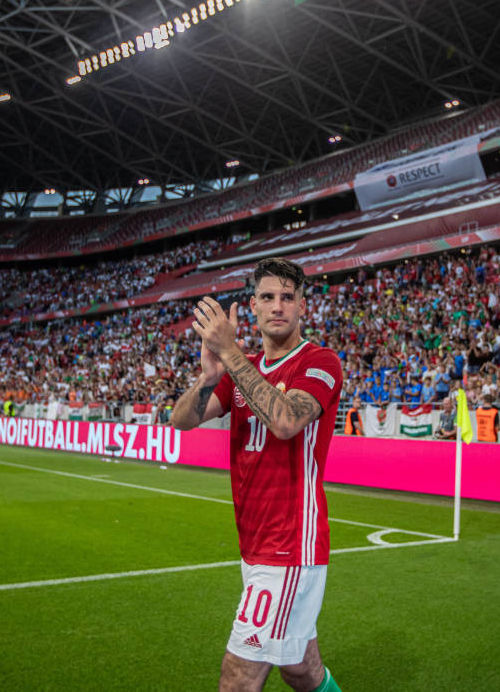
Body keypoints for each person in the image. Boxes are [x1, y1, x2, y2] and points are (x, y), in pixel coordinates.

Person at [170, 257, 344, 692]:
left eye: (288, 297)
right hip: (254, 542)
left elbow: (285, 422)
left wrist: (229, 353)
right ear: (253, 305)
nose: (278, 306)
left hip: (289, 545)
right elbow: (181, 420)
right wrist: (209, 377)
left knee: (238, 679)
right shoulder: (240, 369)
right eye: (267, 297)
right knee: (300, 670)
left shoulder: (320, 362)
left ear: (303, 305)